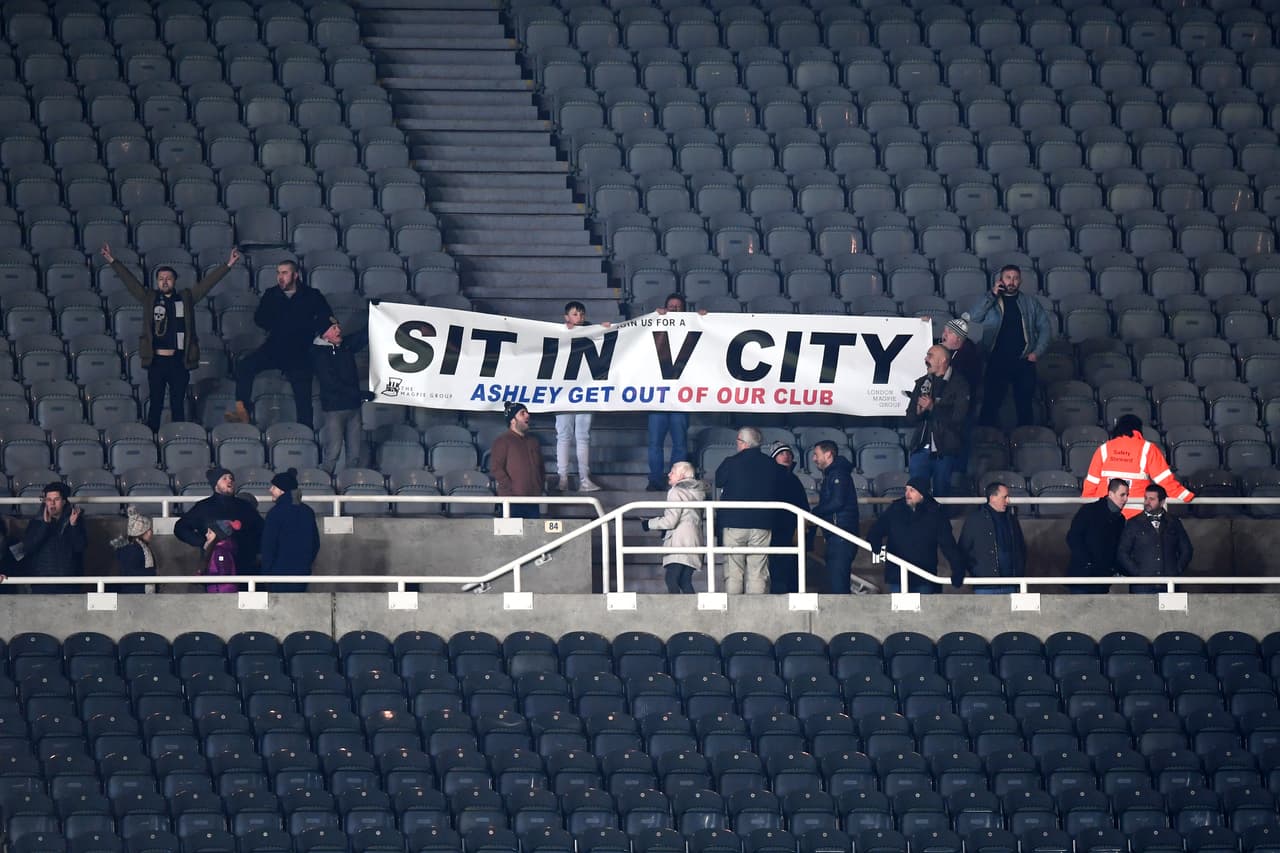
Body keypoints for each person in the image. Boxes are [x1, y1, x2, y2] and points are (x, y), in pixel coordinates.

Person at [101, 244, 242, 433]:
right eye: (161, 279)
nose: (164, 281)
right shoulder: (150, 298)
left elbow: (207, 284)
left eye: (168, 278)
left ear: (175, 281)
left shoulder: (185, 298)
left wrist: (228, 265)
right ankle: (153, 441)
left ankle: (177, 437)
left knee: (177, 404)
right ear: (157, 282)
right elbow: (131, 283)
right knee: (156, 404)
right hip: (157, 361)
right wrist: (112, 261)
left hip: (178, 360)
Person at [227, 260, 335, 428]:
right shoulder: (272, 294)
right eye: (278, 273)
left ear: (295, 275)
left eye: (284, 273)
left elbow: (326, 319)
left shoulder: (312, 295)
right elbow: (260, 319)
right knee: (244, 366)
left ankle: (305, 430)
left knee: (303, 393)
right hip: (274, 347)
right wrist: (280, 321)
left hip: (301, 351)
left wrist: (305, 325)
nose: (280, 277)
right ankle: (243, 412)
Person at [969, 264, 1053, 427]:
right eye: (1008, 277)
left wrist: (1037, 352)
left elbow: (1045, 329)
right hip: (996, 361)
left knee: (1025, 407)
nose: (1012, 281)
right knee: (990, 405)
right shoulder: (991, 301)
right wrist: (991, 295)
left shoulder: (1030, 303)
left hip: (1023, 361)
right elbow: (975, 317)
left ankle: (1025, 442)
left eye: (1015, 278)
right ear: (1001, 280)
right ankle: (988, 442)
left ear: (1020, 281)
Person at [713, 427, 786, 595]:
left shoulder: (731, 462)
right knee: (758, 571)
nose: (737, 444)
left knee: (734, 571)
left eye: (738, 441)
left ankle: (734, 612)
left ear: (744, 443)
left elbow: (719, 481)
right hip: (762, 524)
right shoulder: (771, 464)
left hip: (734, 523)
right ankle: (757, 614)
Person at [866, 477, 966, 594]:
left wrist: (958, 569)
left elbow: (948, 545)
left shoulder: (935, 514)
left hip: (924, 576)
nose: (907, 494)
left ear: (922, 493)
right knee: (900, 611)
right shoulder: (895, 510)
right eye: (906, 490)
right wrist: (875, 541)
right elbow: (876, 530)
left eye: (912, 490)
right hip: (897, 576)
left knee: (925, 611)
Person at [1082, 415, 1194, 519]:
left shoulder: (1104, 449)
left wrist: (1087, 510)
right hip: (1136, 516)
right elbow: (1164, 480)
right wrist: (1186, 495)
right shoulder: (1148, 449)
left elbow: (1091, 483)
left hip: (1105, 513)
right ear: (1138, 430)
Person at [905, 345, 970, 499]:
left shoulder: (960, 384)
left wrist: (933, 407)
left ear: (943, 361)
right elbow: (910, 417)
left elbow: (958, 418)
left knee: (941, 497)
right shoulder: (922, 383)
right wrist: (919, 412)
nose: (926, 359)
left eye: (930, 356)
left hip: (945, 450)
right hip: (920, 449)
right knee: (916, 494)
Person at [646, 293, 693, 491]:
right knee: (655, 443)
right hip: (659, 395)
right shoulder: (656, 328)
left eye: (677, 306)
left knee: (680, 443)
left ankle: (679, 480)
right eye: (670, 306)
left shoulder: (691, 330)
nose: (673, 309)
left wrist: (703, 319)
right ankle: (656, 479)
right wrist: (660, 322)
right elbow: (652, 352)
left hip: (681, 395)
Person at [175, 467, 264, 571]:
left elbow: (261, 529)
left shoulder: (245, 506)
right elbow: (180, 528)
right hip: (216, 565)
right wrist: (204, 542)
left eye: (231, 478)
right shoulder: (204, 507)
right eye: (224, 478)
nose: (229, 480)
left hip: (245, 565)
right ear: (215, 484)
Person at [311, 319, 370, 473]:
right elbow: (332, 384)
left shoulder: (345, 346)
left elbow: (363, 336)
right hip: (334, 410)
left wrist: (373, 314)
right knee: (333, 452)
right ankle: (324, 487)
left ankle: (349, 486)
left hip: (353, 408)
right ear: (324, 335)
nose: (338, 330)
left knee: (355, 454)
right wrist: (360, 394)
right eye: (333, 328)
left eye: (338, 326)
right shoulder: (319, 355)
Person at [640, 461, 708, 594]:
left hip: (679, 542)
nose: (669, 474)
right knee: (685, 580)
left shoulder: (676, 491)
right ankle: (693, 611)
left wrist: (648, 524)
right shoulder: (698, 493)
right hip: (694, 541)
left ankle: (678, 611)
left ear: (682, 476)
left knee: (671, 579)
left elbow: (671, 521)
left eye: (673, 472)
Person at [556, 300, 600, 492]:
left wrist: (610, 329)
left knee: (582, 436)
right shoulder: (557, 332)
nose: (579, 317)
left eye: (581, 314)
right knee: (564, 435)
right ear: (567, 317)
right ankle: (562, 478)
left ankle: (584, 479)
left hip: (585, 389)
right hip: (564, 390)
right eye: (575, 314)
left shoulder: (593, 331)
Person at [1117, 484, 1194, 594]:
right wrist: (1137, 573)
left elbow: (1187, 550)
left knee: (1171, 611)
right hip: (1142, 585)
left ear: (1162, 502)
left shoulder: (1174, 522)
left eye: (1151, 499)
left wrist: (1176, 570)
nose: (1147, 502)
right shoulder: (1133, 523)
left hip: (1169, 583)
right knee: (1141, 611)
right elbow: (1122, 552)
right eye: (1145, 498)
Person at [956, 482, 1026, 594]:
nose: (1008, 501)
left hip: (1010, 582)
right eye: (1004, 497)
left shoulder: (1012, 520)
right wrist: (976, 571)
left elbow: (1021, 548)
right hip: (985, 585)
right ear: (992, 498)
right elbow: (963, 549)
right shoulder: (975, 520)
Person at [810, 440, 860, 594]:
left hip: (841, 535)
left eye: (816, 454)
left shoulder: (838, 474)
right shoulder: (833, 474)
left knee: (839, 588)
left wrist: (814, 513)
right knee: (835, 584)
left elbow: (837, 502)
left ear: (828, 454)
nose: (813, 459)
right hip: (836, 535)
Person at [19, 482, 87, 593]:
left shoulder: (75, 520)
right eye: (49, 500)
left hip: (69, 582)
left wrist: (73, 525)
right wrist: (44, 525)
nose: (52, 504)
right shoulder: (36, 522)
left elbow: (80, 547)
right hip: (42, 582)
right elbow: (27, 548)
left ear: (64, 501)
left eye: (56, 499)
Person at [260, 469, 320, 593]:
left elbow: (269, 546)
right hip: (302, 573)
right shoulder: (307, 511)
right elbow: (315, 544)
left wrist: (266, 572)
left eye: (274, 487)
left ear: (282, 490)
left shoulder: (275, 513)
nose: (270, 490)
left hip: (278, 574)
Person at [1066, 478, 1129, 594]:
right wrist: (1087, 562)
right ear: (1111, 494)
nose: (1126, 499)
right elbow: (1073, 537)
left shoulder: (1120, 519)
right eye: (1122, 495)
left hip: (1101, 579)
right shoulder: (1089, 510)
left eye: (1127, 495)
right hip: (1083, 577)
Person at [768, 442, 811, 594]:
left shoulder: (794, 479)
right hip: (774, 534)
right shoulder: (770, 478)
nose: (786, 456)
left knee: (793, 575)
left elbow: (804, 507)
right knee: (778, 575)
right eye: (781, 453)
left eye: (788, 453)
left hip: (792, 533)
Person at [490, 401, 545, 520]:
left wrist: (539, 486)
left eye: (527, 413)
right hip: (511, 501)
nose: (527, 415)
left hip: (533, 500)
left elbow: (540, 467)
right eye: (522, 413)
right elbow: (496, 468)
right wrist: (511, 489)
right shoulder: (502, 441)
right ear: (512, 420)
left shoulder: (533, 441)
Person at [111, 506, 156, 594]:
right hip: (134, 594)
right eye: (148, 530)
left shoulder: (137, 547)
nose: (151, 532)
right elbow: (130, 572)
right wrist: (152, 573)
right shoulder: (132, 549)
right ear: (142, 532)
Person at [941, 315, 983, 394]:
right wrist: (922, 325)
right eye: (944, 331)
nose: (944, 335)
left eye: (949, 332)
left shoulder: (968, 358)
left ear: (959, 338)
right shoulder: (949, 346)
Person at [202, 520, 242, 593]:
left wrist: (204, 576)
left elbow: (223, 573)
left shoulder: (220, 551)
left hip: (221, 592)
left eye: (210, 532)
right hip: (219, 591)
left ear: (218, 534)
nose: (206, 535)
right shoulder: (221, 549)